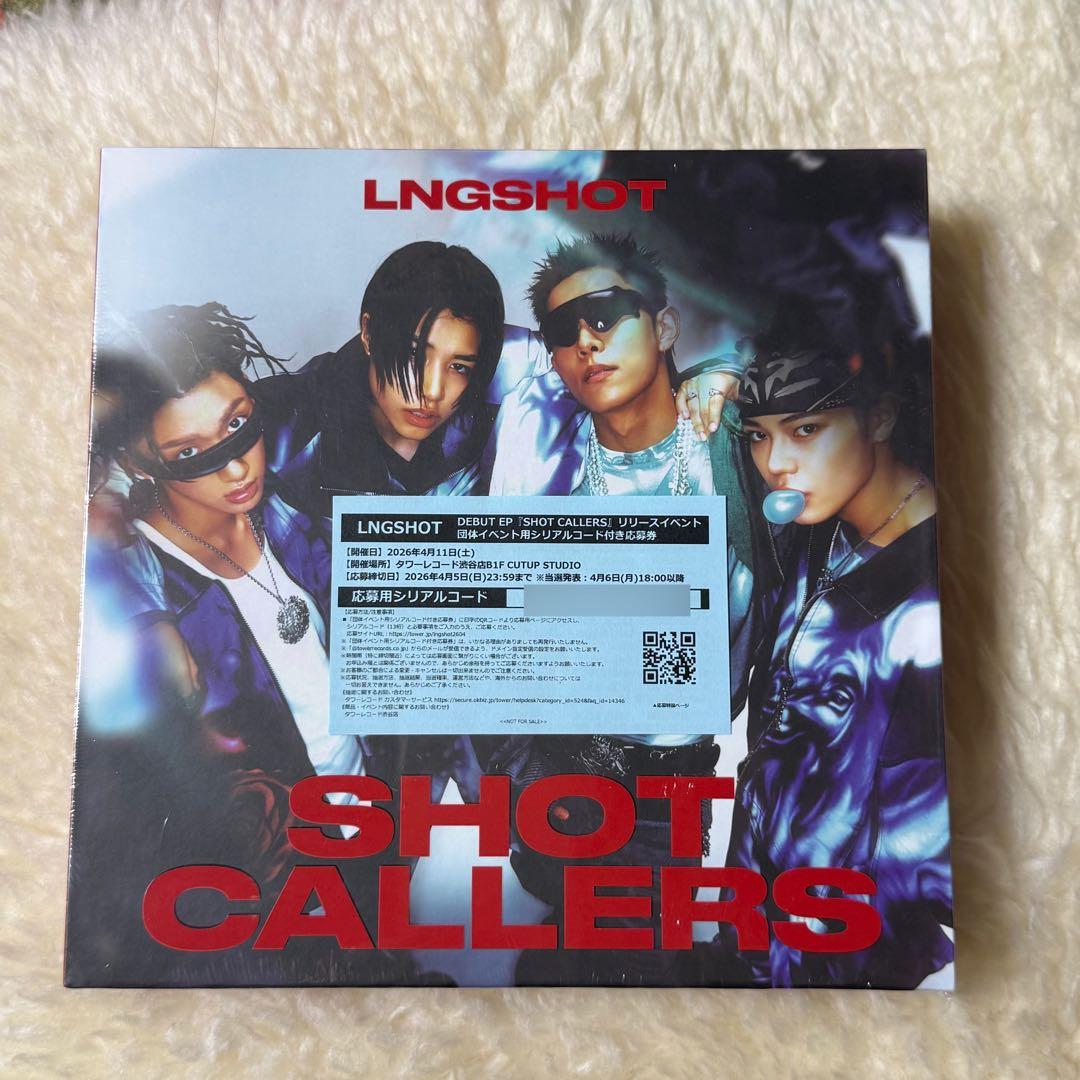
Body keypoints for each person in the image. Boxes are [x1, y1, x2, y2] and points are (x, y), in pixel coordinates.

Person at [76, 303, 417, 984]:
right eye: (190, 455)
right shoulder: (129, 591)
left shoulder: (288, 490)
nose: (236, 470)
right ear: (139, 460)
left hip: (378, 825)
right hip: (272, 894)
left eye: (237, 425)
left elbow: (361, 362)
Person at [481, 232, 755, 985]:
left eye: (605, 315)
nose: (586, 342)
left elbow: (844, 377)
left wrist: (737, 368)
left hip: (671, 780)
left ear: (663, 327)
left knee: (632, 979)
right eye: (562, 331)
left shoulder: (734, 449)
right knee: (579, 960)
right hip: (560, 767)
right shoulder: (544, 453)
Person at [713, 309, 953, 988]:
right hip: (758, 919)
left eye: (806, 430)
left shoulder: (933, 601)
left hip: (852, 960)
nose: (776, 463)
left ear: (880, 418)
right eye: (759, 437)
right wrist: (712, 374)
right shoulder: (815, 524)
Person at [253, 240, 505, 516]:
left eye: (458, 366)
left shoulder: (492, 426)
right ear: (369, 334)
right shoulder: (281, 425)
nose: (433, 391)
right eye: (414, 355)